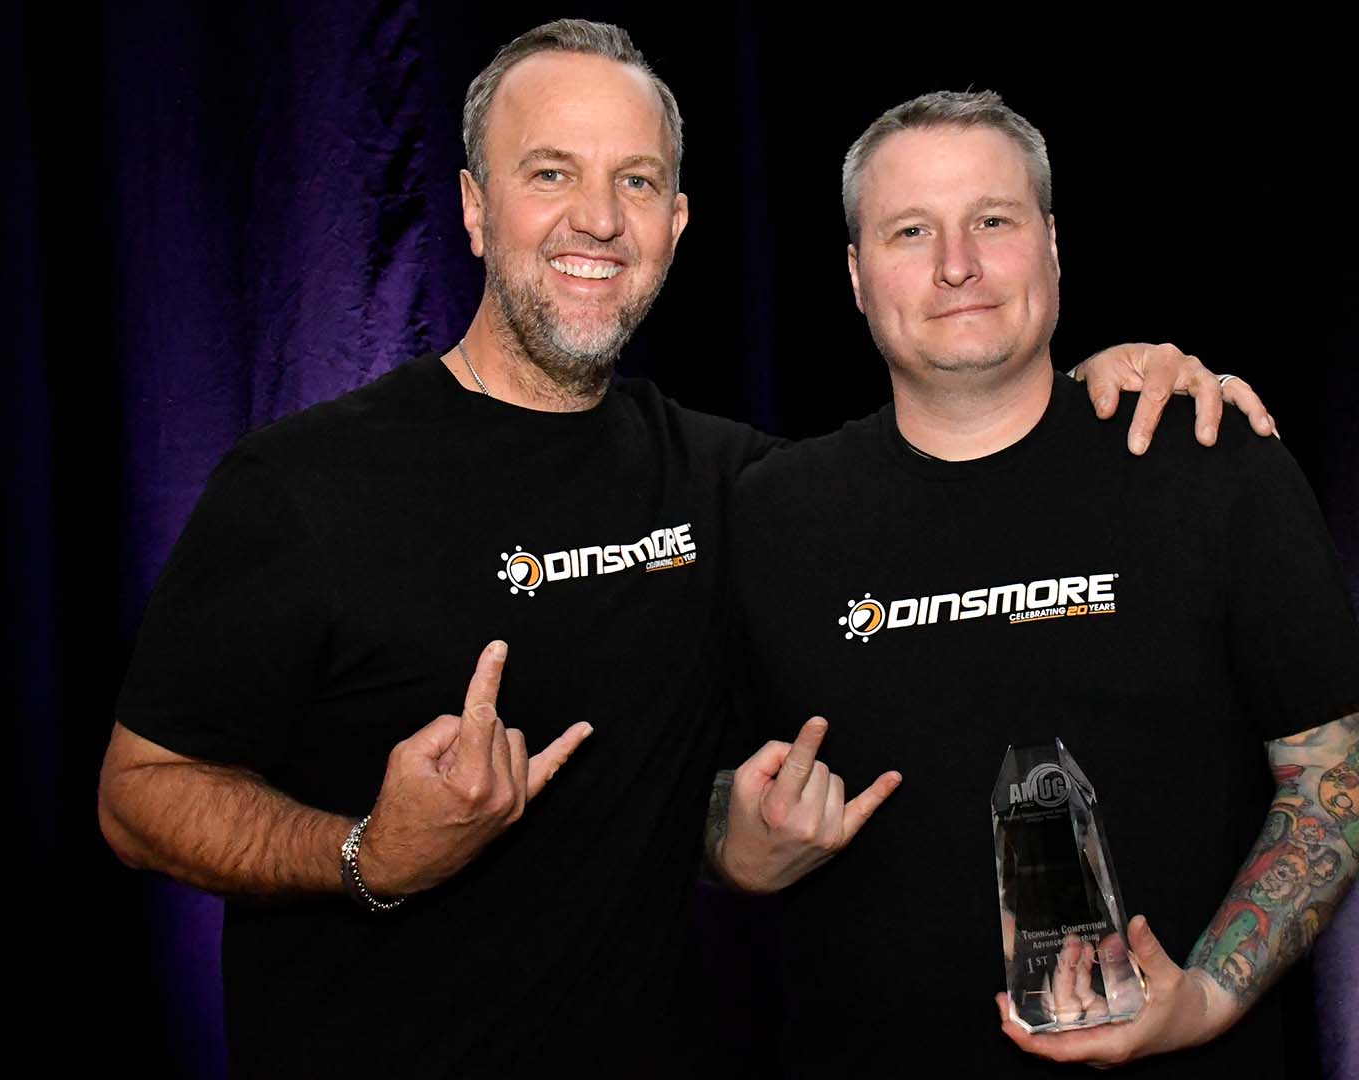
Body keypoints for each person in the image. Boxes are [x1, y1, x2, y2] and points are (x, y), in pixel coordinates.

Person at [95, 20, 1272, 1076]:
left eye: (637, 180)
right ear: (472, 207)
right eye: (550, 173)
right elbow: (139, 798)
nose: (598, 218)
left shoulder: (731, 483)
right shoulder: (304, 486)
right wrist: (370, 853)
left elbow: (938, 475)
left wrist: (1098, 391)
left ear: (676, 222)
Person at [714, 90, 1359, 1077]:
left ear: (1053, 245)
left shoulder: (1208, 460)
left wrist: (1206, 998)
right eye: (911, 231)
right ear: (856, 275)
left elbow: (1337, 778)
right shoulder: (768, 515)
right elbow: (686, 793)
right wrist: (735, 848)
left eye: (993, 220)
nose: (957, 264)